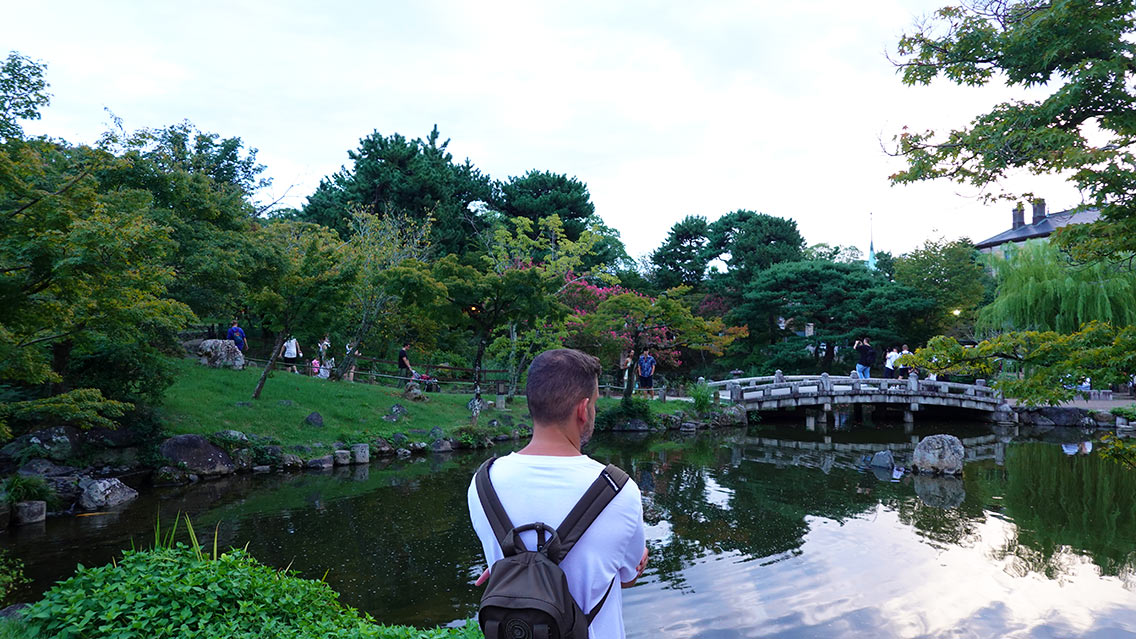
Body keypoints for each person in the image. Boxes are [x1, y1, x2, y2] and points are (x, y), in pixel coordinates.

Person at [467, 349, 648, 639]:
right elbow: (628, 576)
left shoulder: (482, 483)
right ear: (582, 409)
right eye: (595, 405)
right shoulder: (620, 491)